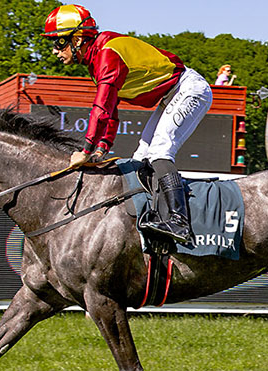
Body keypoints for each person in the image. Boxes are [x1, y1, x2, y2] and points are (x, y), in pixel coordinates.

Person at [42, 4, 212, 243]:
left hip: (189, 89)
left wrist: (85, 150)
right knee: (140, 157)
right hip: (170, 95)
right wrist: (101, 148)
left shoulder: (106, 55)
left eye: (58, 42)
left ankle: (180, 222)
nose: (54, 51)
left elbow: (100, 108)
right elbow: (110, 109)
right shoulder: (96, 59)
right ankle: (153, 215)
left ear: (78, 39)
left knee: (160, 151)